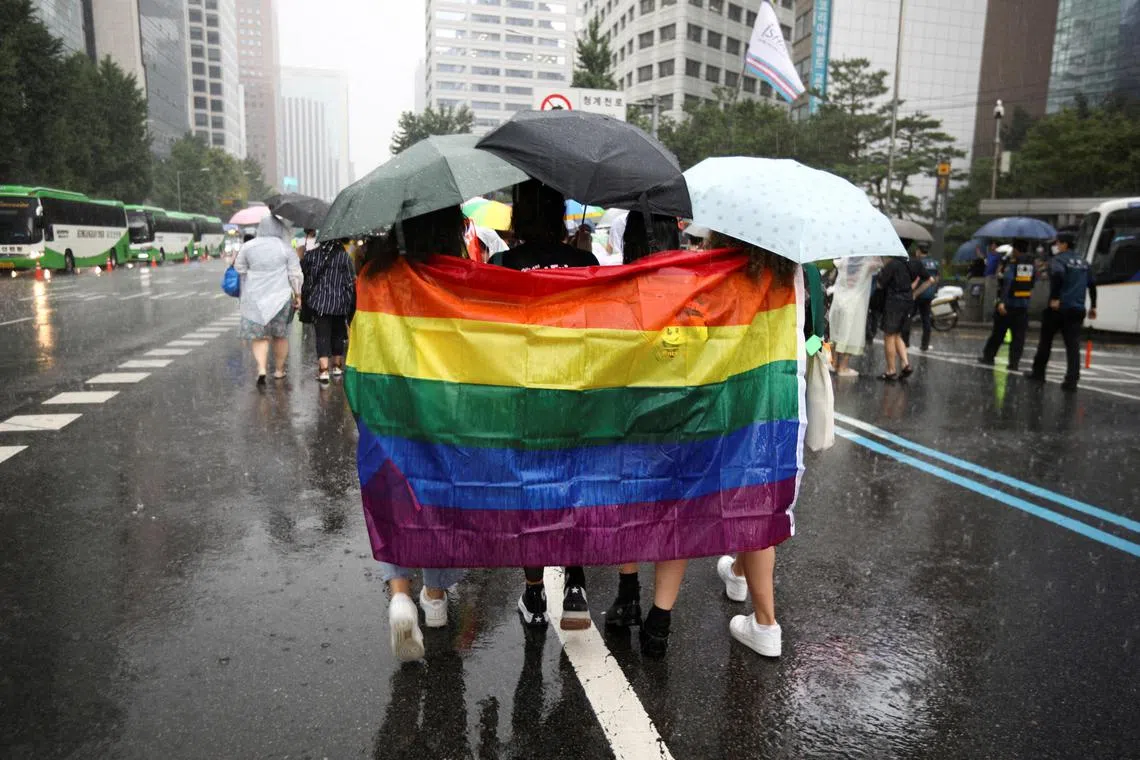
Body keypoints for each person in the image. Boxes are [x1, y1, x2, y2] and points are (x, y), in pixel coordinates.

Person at [362, 206, 469, 661]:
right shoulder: (458, 278)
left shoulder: (374, 276)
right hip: (444, 409)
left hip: (386, 404)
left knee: (393, 495)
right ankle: (437, 596)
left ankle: (401, 594)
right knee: (440, 499)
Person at [489, 180, 597, 632]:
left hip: (523, 394)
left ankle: (535, 594)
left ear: (517, 216)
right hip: (574, 390)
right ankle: (575, 584)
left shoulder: (501, 265)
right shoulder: (585, 263)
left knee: (531, 493)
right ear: (558, 216)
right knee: (573, 484)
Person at [705, 232, 798, 658]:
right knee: (762, 497)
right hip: (784, 402)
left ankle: (765, 624)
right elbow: (816, 336)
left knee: (753, 506)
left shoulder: (724, 276)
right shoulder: (797, 276)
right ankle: (738, 574)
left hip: (737, 401)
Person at [602, 210, 684, 657]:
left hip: (628, 417)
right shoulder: (697, 289)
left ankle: (627, 593)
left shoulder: (615, 291)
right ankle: (659, 623)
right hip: (683, 419)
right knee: (676, 518)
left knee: (628, 503)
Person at [233, 214, 302, 386]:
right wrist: (298, 294)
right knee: (280, 336)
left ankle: (262, 368)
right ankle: (279, 370)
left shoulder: (248, 246)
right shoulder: (284, 248)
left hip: (255, 297)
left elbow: (239, 267)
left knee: (260, 336)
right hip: (281, 297)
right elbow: (295, 274)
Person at [1024, 231, 1097, 391]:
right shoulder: (1084, 262)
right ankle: (1072, 380)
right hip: (1077, 309)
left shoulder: (1058, 260)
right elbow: (1092, 284)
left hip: (1059, 308)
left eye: (1057, 243)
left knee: (1046, 341)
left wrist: (1055, 297)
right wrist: (1093, 306)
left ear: (1064, 244)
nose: (1056, 246)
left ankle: (1038, 373)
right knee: (1073, 346)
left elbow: (1057, 275)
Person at [300, 238, 356, 384]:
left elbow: (304, 275)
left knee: (322, 336)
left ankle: (324, 370)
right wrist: (350, 303)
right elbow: (350, 282)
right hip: (340, 302)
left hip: (319, 303)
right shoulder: (344, 257)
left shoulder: (312, 255)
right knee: (338, 334)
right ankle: (337, 367)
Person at [978, 239, 1035, 370]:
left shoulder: (1013, 263)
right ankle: (1014, 363)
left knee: (998, 333)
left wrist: (1002, 301)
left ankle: (988, 357)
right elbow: (1032, 283)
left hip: (1009, 304)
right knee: (1018, 337)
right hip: (1023, 305)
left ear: (1015, 249)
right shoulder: (1031, 265)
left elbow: (1008, 283)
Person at [828, 256, 880, 376]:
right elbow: (879, 264)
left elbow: (836, 263)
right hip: (854, 303)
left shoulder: (843, 262)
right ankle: (843, 367)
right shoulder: (867, 264)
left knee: (836, 333)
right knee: (850, 334)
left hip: (839, 301)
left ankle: (834, 363)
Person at [877, 251, 918, 381]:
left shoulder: (892, 265)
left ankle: (891, 370)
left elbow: (880, 283)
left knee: (889, 335)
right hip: (907, 301)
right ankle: (905, 364)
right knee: (897, 334)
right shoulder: (909, 264)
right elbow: (916, 279)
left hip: (894, 302)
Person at [903, 245, 939, 351]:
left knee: (908, 317)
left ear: (919, 251)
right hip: (929, 295)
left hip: (917, 294)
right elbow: (936, 279)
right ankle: (925, 344)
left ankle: (905, 342)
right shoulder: (935, 263)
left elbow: (917, 279)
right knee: (926, 319)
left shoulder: (918, 263)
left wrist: (914, 293)